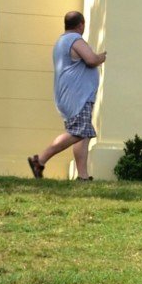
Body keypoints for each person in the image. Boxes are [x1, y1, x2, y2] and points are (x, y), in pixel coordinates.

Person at [31, 11, 106, 181]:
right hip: (77, 96)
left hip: (74, 95)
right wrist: (103, 57)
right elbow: (91, 59)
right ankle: (40, 160)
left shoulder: (61, 42)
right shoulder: (74, 40)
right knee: (78, 132)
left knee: (83, 134)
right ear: (81, 24)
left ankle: (83, 176)